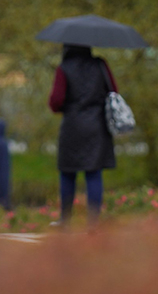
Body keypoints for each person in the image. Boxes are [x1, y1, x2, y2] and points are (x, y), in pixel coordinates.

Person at [48, 44, 117, 224]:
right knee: (94, 172)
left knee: (67, 172)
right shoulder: (100, 65)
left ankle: (65, 219)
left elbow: (56, 100)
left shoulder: (64, 69)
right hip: (97, 124)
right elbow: (113, 90)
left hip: (72, 126)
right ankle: (93, 222)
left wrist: (63, 106)